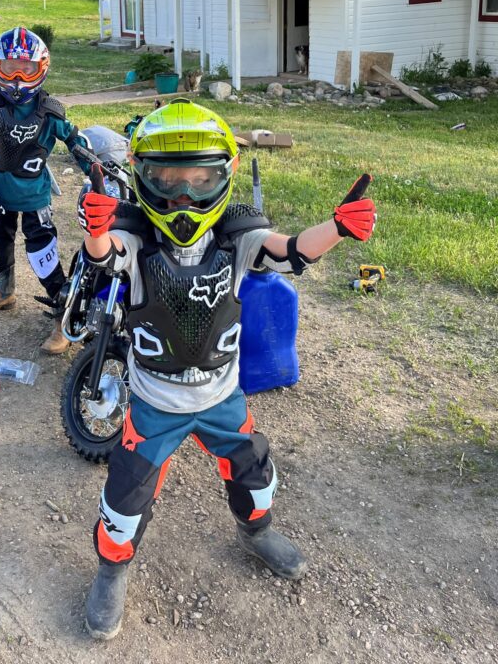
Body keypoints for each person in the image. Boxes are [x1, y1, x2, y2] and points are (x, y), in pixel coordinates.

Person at [77, 99, 377, 640]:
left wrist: (336, 228)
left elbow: (289, 253)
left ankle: (256, 531)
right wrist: (95, 227)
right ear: (143, 178)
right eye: (167, 180)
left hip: (222, 398)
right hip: (155, 404)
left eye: (199, 179)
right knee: (124, 498)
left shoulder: (237, 237)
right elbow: (105, 254)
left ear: (225, 177)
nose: (183, 197)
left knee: (255, 471)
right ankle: (111, 571)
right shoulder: (136, 236)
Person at [0, 26, 89, 354]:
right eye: (10, 68)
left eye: (27, 68)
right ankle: (4, 292)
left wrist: (98, 170)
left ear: (42, 69)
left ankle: (64, 319)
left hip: (34, 197)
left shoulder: (49, 110)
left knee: (42, 255)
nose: (19, 76)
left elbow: (77, 143)